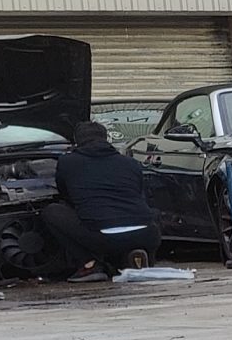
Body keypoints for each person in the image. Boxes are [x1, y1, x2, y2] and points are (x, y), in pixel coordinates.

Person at [44, 121, 159, 283]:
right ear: (106, 139)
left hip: (103, 237)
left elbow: (66, 196)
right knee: (144, 213)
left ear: (77, 141)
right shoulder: (130, 163)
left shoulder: (67, 162)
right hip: (147, 234)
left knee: (52, 211)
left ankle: (89, 264)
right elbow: (139, 195)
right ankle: (136, 256)